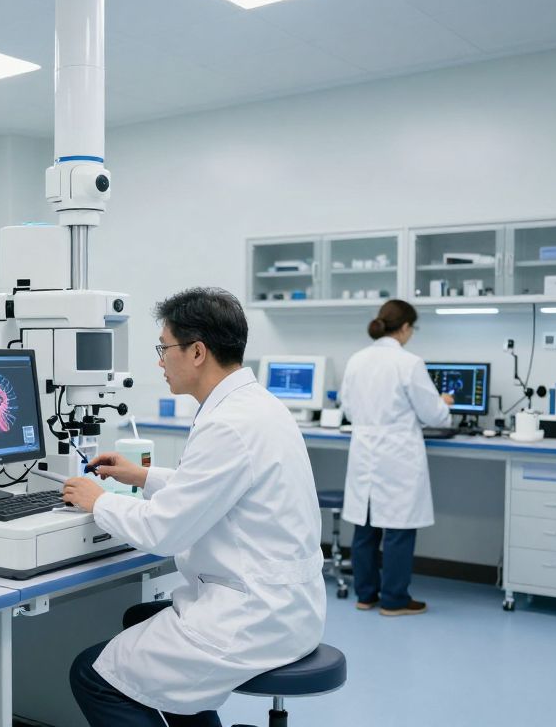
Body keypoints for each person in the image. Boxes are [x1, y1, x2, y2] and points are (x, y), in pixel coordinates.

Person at [63, 288, 325, 727]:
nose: (159, 361)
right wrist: (143, 476)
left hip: (252, 617)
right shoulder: (257, 407)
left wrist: (100, 501)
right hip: (288, 606)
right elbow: (219, 488)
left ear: (198, 351)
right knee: (138, 619)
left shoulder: (228, 423)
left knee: (92, 675)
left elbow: (165, 532)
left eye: (164, 348)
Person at [339, 299, 453, 616]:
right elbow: (435, 415)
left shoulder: (357, 360)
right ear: (404, 328)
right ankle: (394, 600)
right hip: (397, 453)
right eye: (411, 329)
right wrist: (444, 402)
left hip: (365, 450)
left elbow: (347, 408)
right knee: (398, 530)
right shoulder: (409, 363)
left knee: (365, 526)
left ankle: (366, 595)